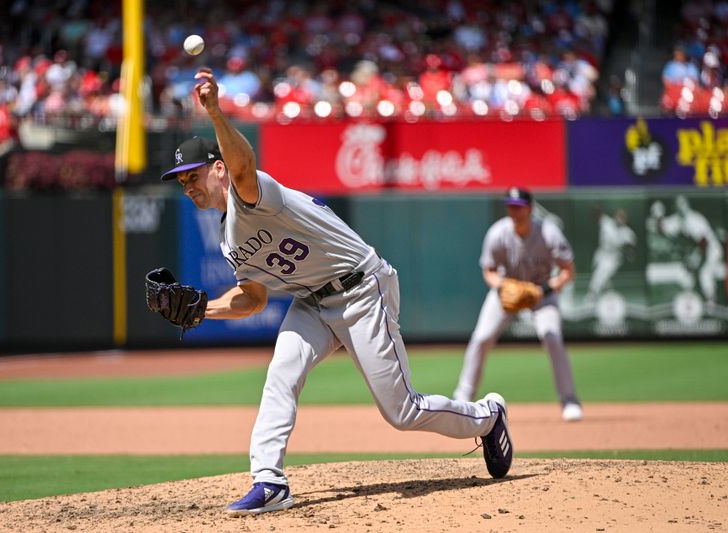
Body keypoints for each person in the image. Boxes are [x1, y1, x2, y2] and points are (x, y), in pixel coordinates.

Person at [160, 67, 514, 516]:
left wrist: (213, 111)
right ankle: (269, 480)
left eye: (193, 175)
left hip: (363, 288)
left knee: (401, 411)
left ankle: (487, 416)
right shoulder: (229, 241)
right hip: (313, 300)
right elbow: (253, 299)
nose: (188, 186)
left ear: (217, 169)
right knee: (280, 375)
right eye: (181, 181)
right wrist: (201, 311)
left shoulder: (253, 193)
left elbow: (243, 164)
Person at [452, 187, 583, 422]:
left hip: (542, 293)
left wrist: (544, 290)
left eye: (519, 207)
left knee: (551, 337)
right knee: (481, 338)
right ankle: (463, 396)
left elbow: (568, 271)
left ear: (530, 209)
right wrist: (503, 286)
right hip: (507, 292)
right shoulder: (498, 233)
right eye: (510, 206)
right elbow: (489, 271)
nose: (514, 211)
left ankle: (570, 400)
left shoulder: (549, 233)